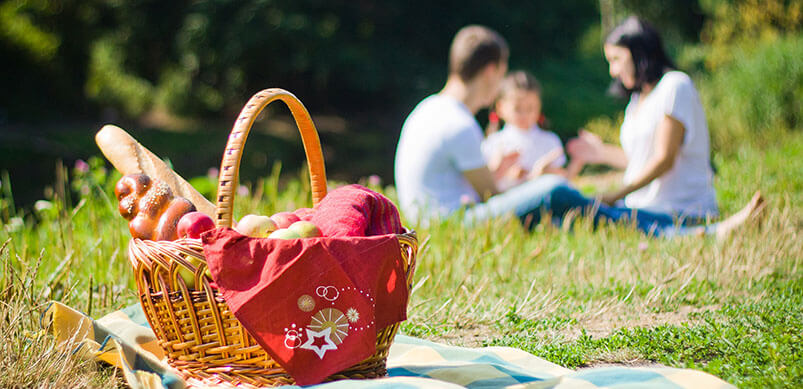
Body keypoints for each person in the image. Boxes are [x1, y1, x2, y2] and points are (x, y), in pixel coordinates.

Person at [394, 21, 762, 238]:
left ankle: (685, 230)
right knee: (554, 189)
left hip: (436, 222)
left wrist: (517, 179)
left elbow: (483, 188)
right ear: (491, 70)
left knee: (566, 204)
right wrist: (534, 181)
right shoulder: (458, 123)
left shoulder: (428, 110)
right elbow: (490, 195)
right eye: (503, 72)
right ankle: (696, 233)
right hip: (454, 224)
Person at [482, 70, 583, 191]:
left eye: (530, 108)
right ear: (500, 107)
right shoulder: (493, 143)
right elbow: (486, 189)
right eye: (517, 109)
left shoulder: (550, 140)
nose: (524, 115)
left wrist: (576, 163)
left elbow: (563, 182)